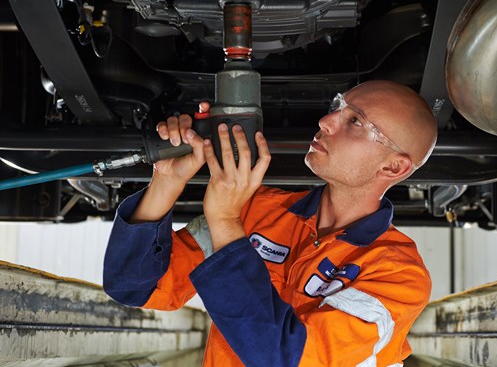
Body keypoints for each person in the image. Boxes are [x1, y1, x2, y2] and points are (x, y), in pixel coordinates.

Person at [103, 80, 438, 367]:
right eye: (337, 106)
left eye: (355, 121)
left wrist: (225, 221)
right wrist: (165, 183)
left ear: (393, 168)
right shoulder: (258, 211)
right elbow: (135, 287)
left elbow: (285, 358)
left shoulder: (399, 274)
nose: (325, 120)